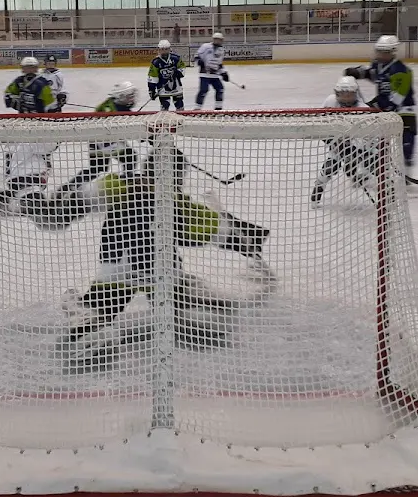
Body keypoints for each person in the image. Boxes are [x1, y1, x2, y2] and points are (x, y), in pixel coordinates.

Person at [57, 159, 273, 368]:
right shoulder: (177, 202)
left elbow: (76, 201)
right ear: (177, 177)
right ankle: (187, 315)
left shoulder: (117, 184)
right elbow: (212, 231)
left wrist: (54, 206)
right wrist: (245, 242)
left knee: (97, 309)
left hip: (115, 275)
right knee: (204, 313)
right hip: (163, 277)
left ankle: (87, 316)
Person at [344, 35, 416, 176]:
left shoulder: (401, 70)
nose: (380, 54)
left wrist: (376, 106)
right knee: (371, 135)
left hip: (404, 111)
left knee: (406, 141)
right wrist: (357, 72)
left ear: (392, 52)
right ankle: (367, 167)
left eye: (385, 52)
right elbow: (372, 74)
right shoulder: (379, 65)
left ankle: (407, 172)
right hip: (382, 105)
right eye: (379, 51)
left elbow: (397, 99)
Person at [57, 82, 141, 194]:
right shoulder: (114, 109)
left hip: (100, 140)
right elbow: (123, 127)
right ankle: (127, 184)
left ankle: (69, 187)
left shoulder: (113, 104)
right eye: (129, 96)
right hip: (105, 142)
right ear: (121, 97)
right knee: (130, 157)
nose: (132, 99)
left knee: (96, 169)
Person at [310, 76, 376, 205]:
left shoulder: (363, 110)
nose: (346, 98)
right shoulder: (330, 102)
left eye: (349, 94)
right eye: (342, 94)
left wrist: (355, 151)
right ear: (336, 93)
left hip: (362, 148)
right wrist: (330, 140)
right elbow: (318, 124)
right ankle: (318, 188)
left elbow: (370, 137)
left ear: (355, 94)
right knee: (330, 168)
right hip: (337, 144)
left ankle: (387, 190)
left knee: (373, 165)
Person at [194, 31, 229, 110]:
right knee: (203, 90)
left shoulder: (221, 50)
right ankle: (197, 108)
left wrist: (224, 73)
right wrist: (200, 62)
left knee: (220, 89)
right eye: (216, 39)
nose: (217, 41)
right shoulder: (205, 46)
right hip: (204, 74)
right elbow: (196, 56)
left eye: (219, 39)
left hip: (215, 75)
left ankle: (218, 108)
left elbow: (219, 64)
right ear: (213, 39)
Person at [148, 39, 185, 111]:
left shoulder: (176, 58)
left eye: (166, 49)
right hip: (162, 88)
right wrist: (152, 90)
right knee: (164, 107)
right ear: (159, 49)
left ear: (169, 49)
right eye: (162, 49)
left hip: (176, 87)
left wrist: (177, 73)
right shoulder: (156, 62)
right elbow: (152, 77)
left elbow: (182, 68)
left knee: (180, 105)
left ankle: (180, 121)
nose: (164, 51)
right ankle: (164, 121)